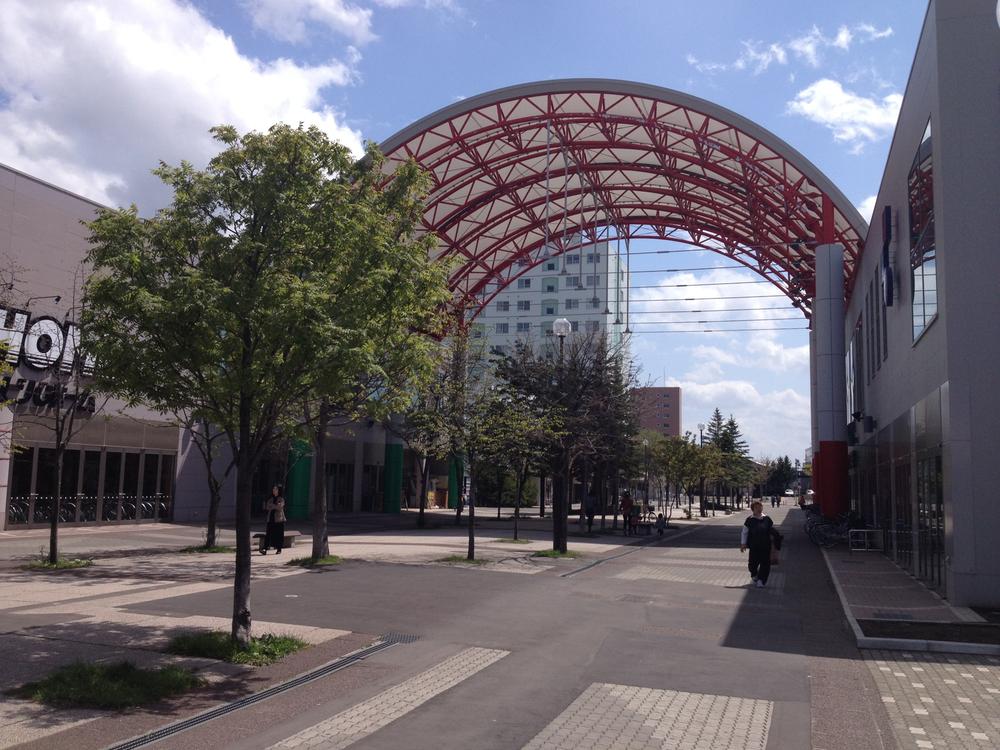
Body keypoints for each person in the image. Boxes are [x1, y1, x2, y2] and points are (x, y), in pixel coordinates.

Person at [740, 500, 781, 587]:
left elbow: (772, 530)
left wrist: (777, 540)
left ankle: (761, 581)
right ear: (753, 509)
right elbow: (744, 532)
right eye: (756, 507)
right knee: (752, 564)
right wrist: (743, 544)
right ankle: (754, 574)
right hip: (754, 546)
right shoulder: (749, 520)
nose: (759, 509)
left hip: (766, 546)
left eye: (760, 507)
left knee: (765, 563)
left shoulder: (767, 519)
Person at [262, 485, 286, 555]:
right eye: (273, 489)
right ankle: (265, 548)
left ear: (279, 491)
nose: (274, 490)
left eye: (275, 489)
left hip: (279, 520)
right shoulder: (270, 499)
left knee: (278, 534)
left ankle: (279, 549)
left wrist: (272, 506)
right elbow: (267, 507)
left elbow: (279, 507)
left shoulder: (281, 499)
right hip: (271, 519)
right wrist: (274, 506)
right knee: (268, 534)